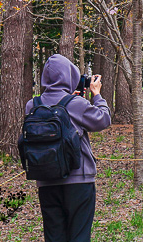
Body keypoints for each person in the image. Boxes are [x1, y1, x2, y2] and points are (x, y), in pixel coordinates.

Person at [26, 54, 111, 242]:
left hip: (46, 180)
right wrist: (96, 95)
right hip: (78, 180)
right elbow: (103, 119)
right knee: (79, 236)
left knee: (54, 237)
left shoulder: (32, 105)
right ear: (69, 75)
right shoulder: (76, 104)